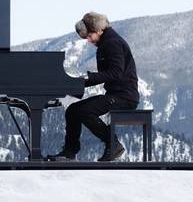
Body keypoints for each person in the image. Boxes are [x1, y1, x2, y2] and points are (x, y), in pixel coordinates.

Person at [57, 12, 140, 162]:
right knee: (73, 110)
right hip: (115, 95)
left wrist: (87, 79)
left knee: (84, 111)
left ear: (99, 30)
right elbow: (107, 74)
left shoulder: (112, 43)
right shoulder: (106, 43)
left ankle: (113, 144)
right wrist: (80, 82)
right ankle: (69, 152)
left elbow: (115, 73)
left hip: (124, 97)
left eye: (90, 36)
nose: (88, 40)